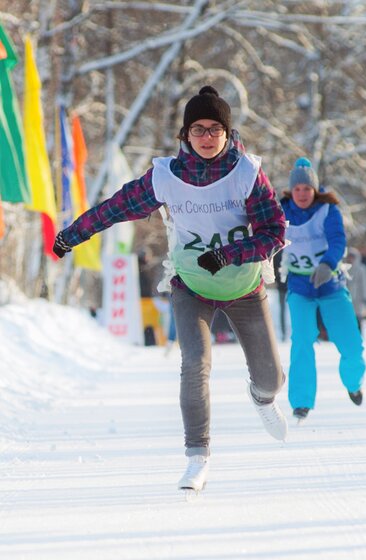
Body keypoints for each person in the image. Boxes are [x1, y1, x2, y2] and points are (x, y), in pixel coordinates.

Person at [52, 86, 289, 492]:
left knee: (271, 380)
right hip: (191, 286)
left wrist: (231, 253)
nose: (207, 136)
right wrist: (74, 234)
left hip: (244, 286)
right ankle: (197, 456)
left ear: (228, 134)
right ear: (185, 135)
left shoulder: (247, 173)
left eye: (216, 129)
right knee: (194, 363)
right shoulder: (166, 177)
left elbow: (275, 232)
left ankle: (262, 397)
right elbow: (116, 207)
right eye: (198, 129)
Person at [280, 158, 366, 422]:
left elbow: (338, 239)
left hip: (330, 284)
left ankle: (353, 383)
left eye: (307, 189)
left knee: (350, 345)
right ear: (291, 191)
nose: (303, 194)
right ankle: (301, 402)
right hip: (299, 286)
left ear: (315, 190)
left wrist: (328, 264)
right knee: (302, 341)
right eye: (298, 189)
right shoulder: (281, 211)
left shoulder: (327, 210)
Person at [345, 247, 366, 333]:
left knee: (357, 316)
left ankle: (358, 333)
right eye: (349, 256)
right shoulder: (344, 269)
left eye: (352, 257)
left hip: (358, 297)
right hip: (347, 296)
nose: (350, 259)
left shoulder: (361, 268)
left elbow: (364, 283)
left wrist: (365, 296)